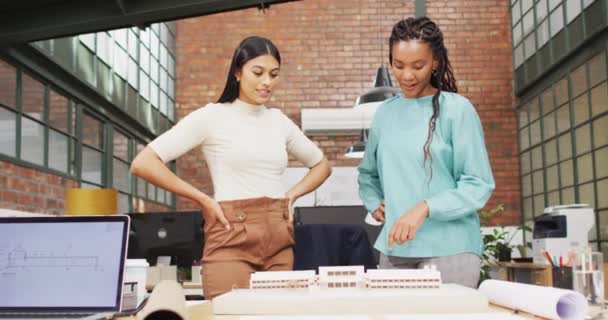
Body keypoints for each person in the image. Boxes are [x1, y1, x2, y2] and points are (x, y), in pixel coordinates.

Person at [131, 36, 332, 299]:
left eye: (273, 74)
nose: (267, 82)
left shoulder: (278, 121)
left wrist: (291, 195)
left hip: (279, 238)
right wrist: (202, 199)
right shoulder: (212, 117)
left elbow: (322, 165)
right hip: (230, 236)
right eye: (257, 73)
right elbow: (143, 163)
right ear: (238, 72)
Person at [357, 17, 495, 288]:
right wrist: (374, 203)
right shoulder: (385, 114)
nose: (407, 75)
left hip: (451, 248)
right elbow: (367, 174)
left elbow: (478, 184)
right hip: (395, 250)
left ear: (435, 62)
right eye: (398, 65)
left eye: (418, 65)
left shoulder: (457, 110)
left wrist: (424, 208)